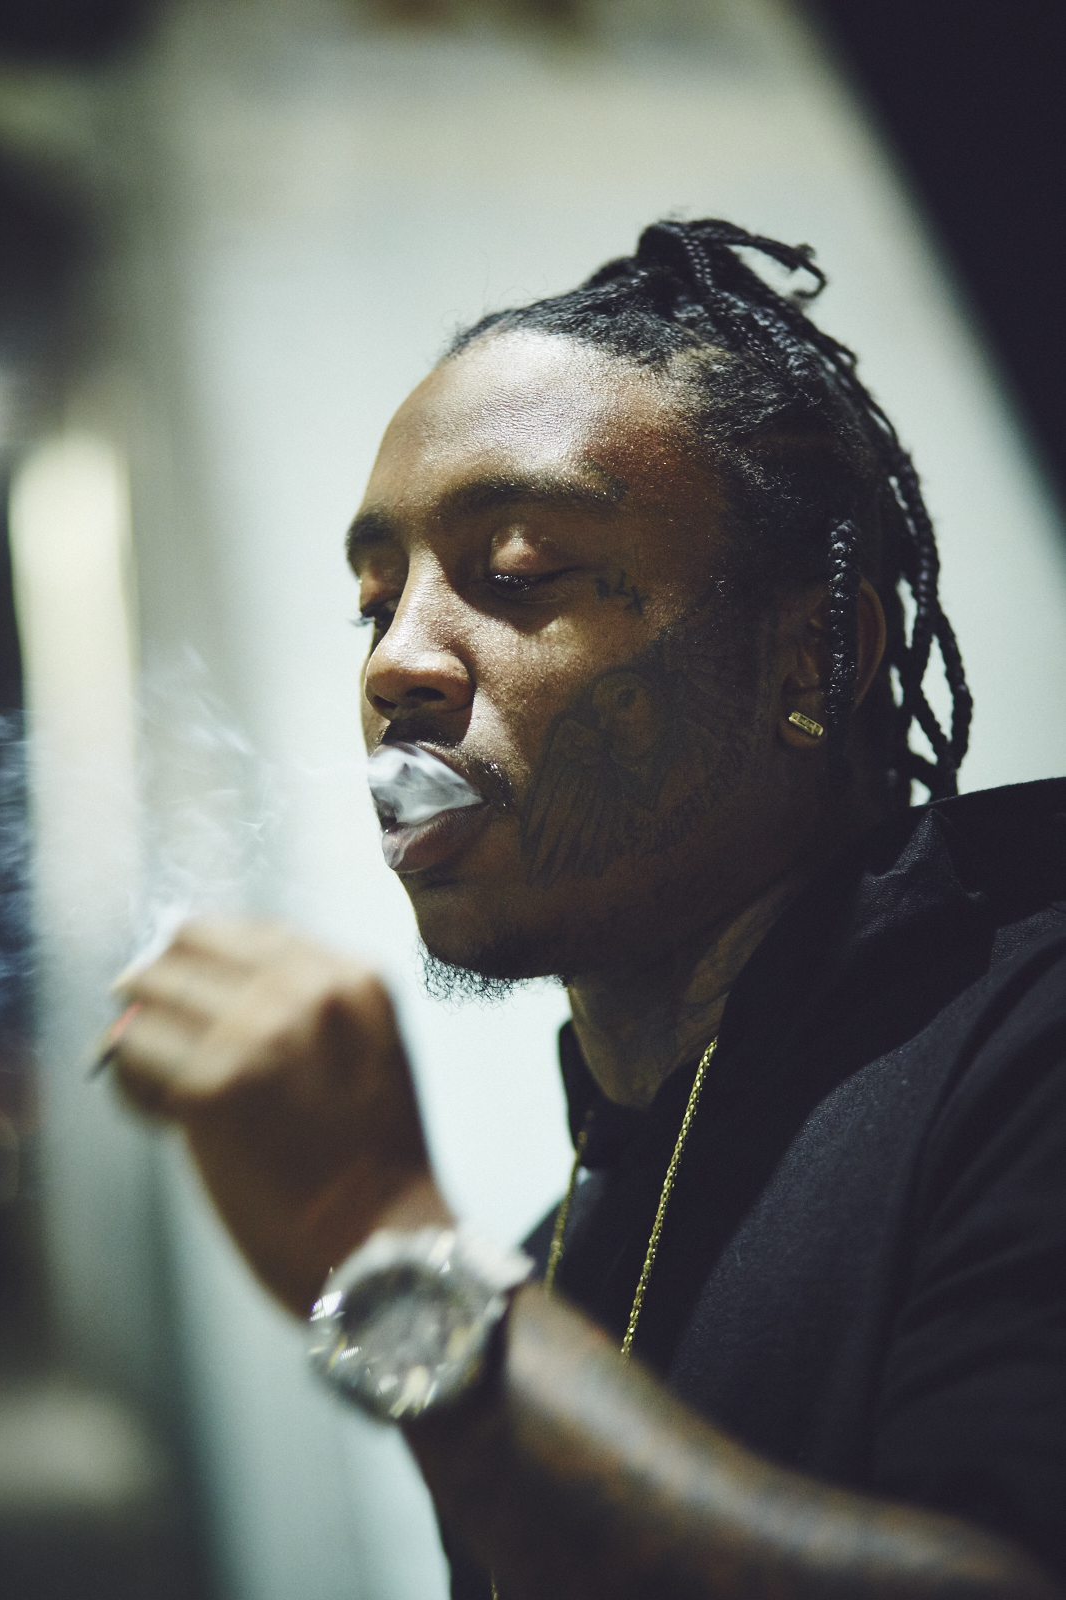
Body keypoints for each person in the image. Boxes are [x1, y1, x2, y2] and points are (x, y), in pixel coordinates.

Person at [108, 220, 1066, 1599]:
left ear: (813, 657)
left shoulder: (1031, 1051)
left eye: (515, 574)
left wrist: (386, 1241)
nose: (396, 662)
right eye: (374, 600)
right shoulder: (551, 1254)